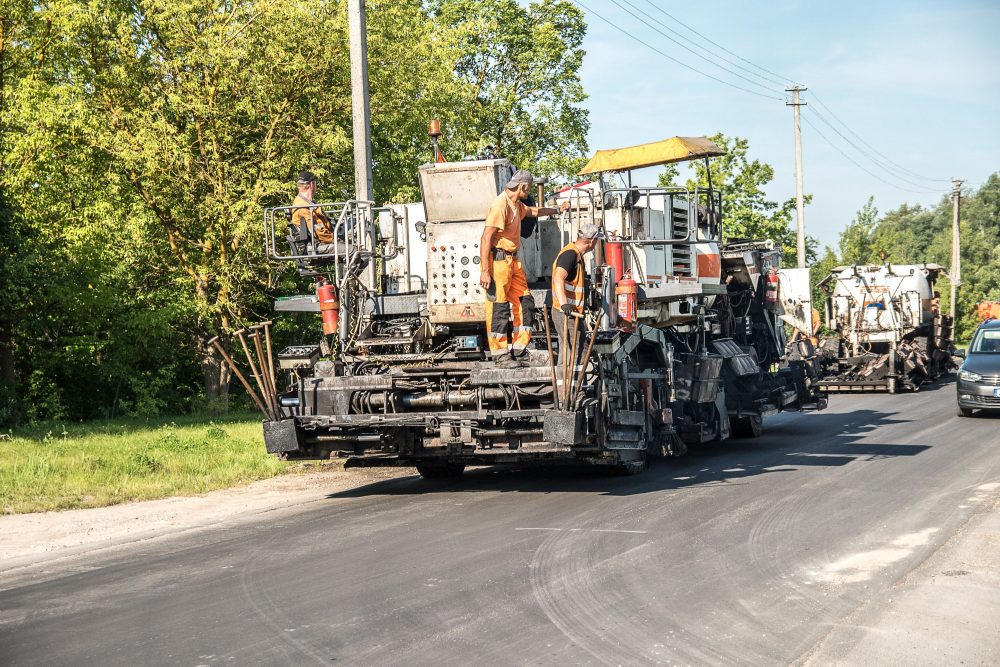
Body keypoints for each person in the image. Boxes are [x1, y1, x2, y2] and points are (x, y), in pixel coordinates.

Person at [480, 169, 569, 366]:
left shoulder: (516, 205)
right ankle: (500, 355)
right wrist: (485, 271)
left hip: (513, 261)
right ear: (522, 186)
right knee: (499, 307)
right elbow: (486, 238)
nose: (529, 192)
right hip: (498, 262)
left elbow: (534, 212)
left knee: (525, 301)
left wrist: (557, 210)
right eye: (528, 188)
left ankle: (520, 349)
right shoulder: (500, 205)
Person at [551, 223, 603, 370]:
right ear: (592, 241)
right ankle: (570, 383)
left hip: (573, 313)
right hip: (566, 313)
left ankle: (572, 384)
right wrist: (564, 304)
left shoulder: (577, 255)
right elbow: (558, 278)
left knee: (575, 351)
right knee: (574, 353)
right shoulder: (570, 254)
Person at [290, 171, 336, 254]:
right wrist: (336, 239)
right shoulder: (303, 208)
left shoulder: (308, 203)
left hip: (324, 239)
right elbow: (318, 232)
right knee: (352, 250)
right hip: (318, 245)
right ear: (311, 184)